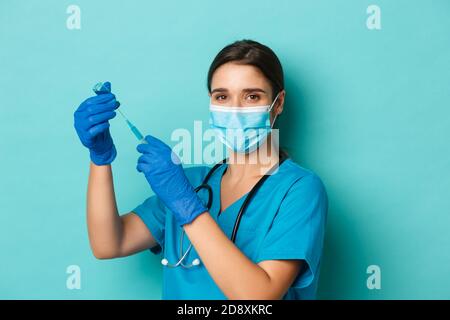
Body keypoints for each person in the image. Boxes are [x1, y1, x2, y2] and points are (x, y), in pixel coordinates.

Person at [73, 39, 328, 300]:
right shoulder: (189, 181)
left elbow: (258, 297)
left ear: (278, 103)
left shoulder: (299, 189)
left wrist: (186, 205)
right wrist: (100, 158)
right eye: (222, 96)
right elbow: (109, 243)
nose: (235, 110)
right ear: (211, 101)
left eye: (252, 96)